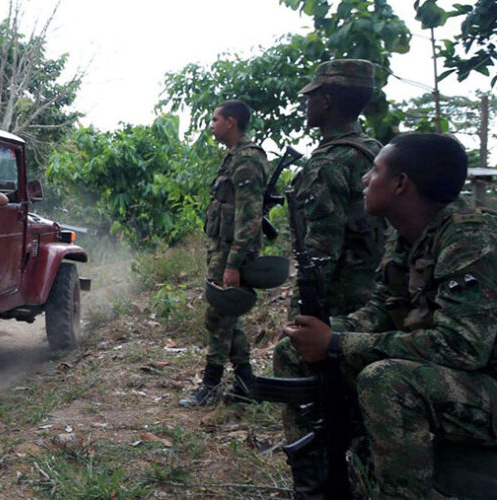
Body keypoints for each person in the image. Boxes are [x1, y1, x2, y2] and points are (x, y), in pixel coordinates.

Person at [278, 134, 497, 499]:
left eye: (375, 171)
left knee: (387, 380)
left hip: (485, 383)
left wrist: (336, 343)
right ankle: (320, 488)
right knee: (293, 349)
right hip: (455, 378)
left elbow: (462, 346)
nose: (364, 179)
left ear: (400, 184)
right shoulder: (406, 236)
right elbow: (382, 309)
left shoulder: (470, 238)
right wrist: (322, 333)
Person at [179, 100, 268, 407]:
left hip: (233, 253)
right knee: (227, 315)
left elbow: (249, 216)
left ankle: (211, 385)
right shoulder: (232, 158)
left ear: (231, 122)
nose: (212, 125)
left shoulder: (248, 159)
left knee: (218, 316)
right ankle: (246, 383)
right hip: (222, 249)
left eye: (215, 119)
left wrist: (234, 263)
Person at [289, 59, 386, 316]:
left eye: (311, 97)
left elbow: (321, 248)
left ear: (326, 102)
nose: (306, 105)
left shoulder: (327, 162)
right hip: (380, 292)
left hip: (342, 300)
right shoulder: (376, 150)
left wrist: (299, 311)